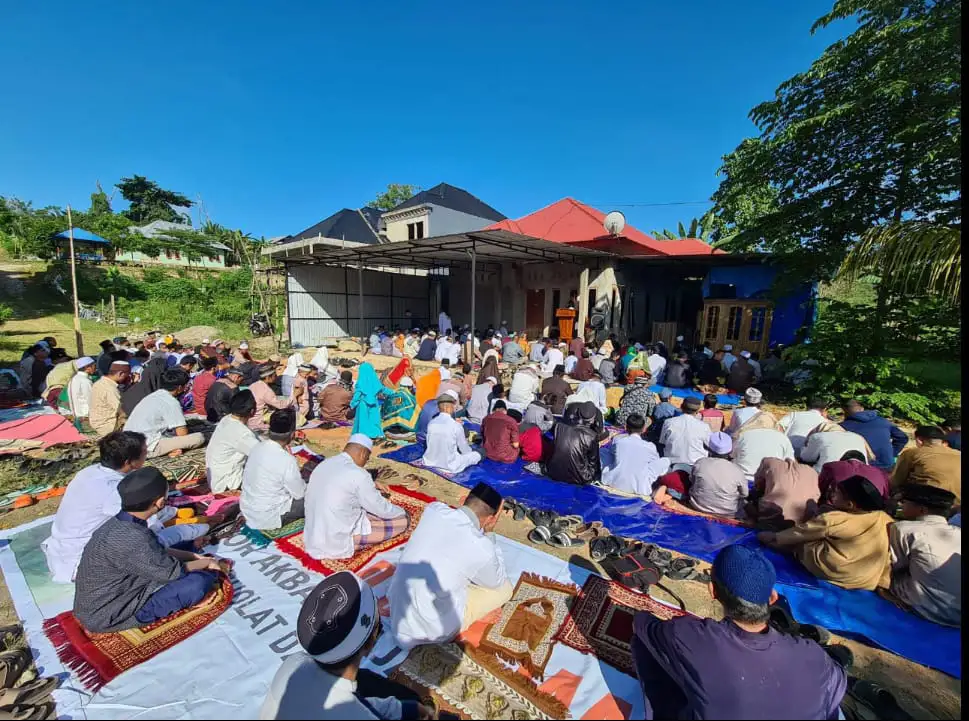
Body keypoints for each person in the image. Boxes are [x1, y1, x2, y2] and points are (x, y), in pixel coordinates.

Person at [630, 545, 847, 720]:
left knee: (647, 646)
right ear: (772, 598)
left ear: (712, 591)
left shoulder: (690, 637)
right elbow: (836, 685)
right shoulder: (812, 655)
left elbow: (642, 625)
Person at [260, 571, 429, 720]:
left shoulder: (294, 663)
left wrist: (403, 709)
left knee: (372, 683)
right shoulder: (358, 715)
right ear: (370, 644)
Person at [73, 467, 224, 633]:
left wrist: (192, 554)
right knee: (198, 583)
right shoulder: (133, 537)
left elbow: (155, 550)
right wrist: (206, 563)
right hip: (111, 614)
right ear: (159, 502)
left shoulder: (120, 523)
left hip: (102, 599)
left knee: (183, 547)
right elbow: (171, 572)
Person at [389, 482, 512, 650]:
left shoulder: (434, 510)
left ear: (464, 500)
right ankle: (470, 616)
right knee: (504, 589)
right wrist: (489, 533)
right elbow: (495, 582)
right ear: (491, 518)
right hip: (435, 629)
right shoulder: (483, 546)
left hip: (398, 618)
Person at [41, 432, 149, 583]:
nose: (147, 454)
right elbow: (142, 521)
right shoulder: (113, 490)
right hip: (79, 562)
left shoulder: (90, 472)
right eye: (144, 451)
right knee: (153, 546)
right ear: (128, 461)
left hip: (60, 551)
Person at [759, 474, 893, 590]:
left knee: (801, 542)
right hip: (866, 579)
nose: (833, 494)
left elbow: (800, 533)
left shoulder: (835, 519)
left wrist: (774, 537)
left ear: (850, 505)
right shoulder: (885, 519)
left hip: (836, 571)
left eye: (837, 493)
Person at [304, 435, 409, 560]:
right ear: (363, 454)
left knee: (367, 513)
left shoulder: (327, 463)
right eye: (367, 458)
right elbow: (381, 508)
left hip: (313, 534)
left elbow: (341, 482)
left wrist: (372, 485)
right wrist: (402, 512)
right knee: (402, 522)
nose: (365, 463)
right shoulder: (359, 474)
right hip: (335, 541)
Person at [888, 484, 961, 627]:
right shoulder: (957, 532)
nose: (901, 506)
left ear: (922, 509)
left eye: (905, 503)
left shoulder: (903, 529)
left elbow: (896, 567)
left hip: (929, 610)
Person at [240, 409, 306, 530]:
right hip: (268, 517)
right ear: (292, 434)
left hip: (247, 510)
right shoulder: (286, 459)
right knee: (314, 497)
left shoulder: (257, 447)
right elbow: (299, 494)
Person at [123, 369, 204, 458]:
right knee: (199, 438)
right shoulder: (171, 402)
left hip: (128, 441)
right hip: (145, 446)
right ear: (180, 388)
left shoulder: (153, 396)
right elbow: (182, 434)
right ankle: (171, 450)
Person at [680, 432, 748, 517]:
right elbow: (745, 494)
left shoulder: (700, 463)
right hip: (728, 513)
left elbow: (692, 481)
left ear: (709, 450)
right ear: (729, 451)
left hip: (698, 507)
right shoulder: (737, 470)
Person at [602, 414, 671, 496]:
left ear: (626, 427)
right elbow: (655, 462)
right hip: (640, 487)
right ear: (644, 429)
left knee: (603, 451)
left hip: (615, 482)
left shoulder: (618, 442)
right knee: (666, 461)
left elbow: (612, 454)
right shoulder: (650, 446)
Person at [891, 425, 961, 504]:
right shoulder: (959, 454)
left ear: (919, 440)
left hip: (929, 503)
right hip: (957, 505)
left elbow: (896, 481)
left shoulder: (912, 453)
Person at [206, 390, 259, 493]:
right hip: (226, 485)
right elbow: (263, 455)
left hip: (215, 478)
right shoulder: (241, 433)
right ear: (252, 411)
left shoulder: (227, 419)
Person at [748, 457, 821, 529]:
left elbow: (757, 485)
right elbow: (817, 496)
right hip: (807, 525)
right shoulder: (812, 471)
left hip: (773, 522)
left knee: (747, 504)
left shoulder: (768, 462)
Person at [840, 399, 908, 470]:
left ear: (845, 410)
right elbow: (902, 438)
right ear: (862, 408)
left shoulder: (842, 427)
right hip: (886, 465)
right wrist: (891, 454)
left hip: (861, 467)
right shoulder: (883, 421)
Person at [422, 393, 482, 473]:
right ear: (448, 408)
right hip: (450, 465)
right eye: (453, 406)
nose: (454, 408)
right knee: (480, 453)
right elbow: (465, 450)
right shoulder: (455, 425)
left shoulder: (431, 423)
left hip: (429, 461)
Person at [546, 401, 602, 486]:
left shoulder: (559, 426)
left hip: (553, 472)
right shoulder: (592, 436)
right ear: (592, 419)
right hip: (579, 478)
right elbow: (593, 463)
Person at [818, 450, 890, 503]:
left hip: (838, 509)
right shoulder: (880, 472)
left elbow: (821, 489)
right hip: (872, 511)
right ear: (864, 463)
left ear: (841, 461)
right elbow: (885, 496)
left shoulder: (830, 466)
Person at [658, 396, 711, 466]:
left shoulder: (669, 422)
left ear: (681, 407)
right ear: (697, 411)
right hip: (695, 465)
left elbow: (662, 442)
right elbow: (709, 445)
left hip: (672, 463)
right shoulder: (704, 427)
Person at [799, 421, 870, 472]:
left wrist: (804, 447)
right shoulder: (857, 437)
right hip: (860, 472)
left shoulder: (818, 436)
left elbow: (806, 457)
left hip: (827, 473)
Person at [731, 425, 795, 480]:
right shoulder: (783, 437)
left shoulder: (743, 435)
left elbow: (732, 455)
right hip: (770, 481)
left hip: (743, 478)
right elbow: (791, 462)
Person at [89, 360, 131, 438]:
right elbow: (122, 409)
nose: (127, 378)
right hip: (108, 425)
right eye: (127, 375)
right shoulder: (110, 388)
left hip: (97, 421)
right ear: (121, 374)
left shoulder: (100, 383)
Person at [67, 356, 98, 430]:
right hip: (85, 416)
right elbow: (91, 400)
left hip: (76, 415)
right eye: (94, 366)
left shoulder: (74, 378)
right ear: (87, 367)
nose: (95, 368)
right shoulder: (85, 381)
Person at [645, 387, 680, 451]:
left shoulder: (656, 407)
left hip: (655, 432)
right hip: (666, 432)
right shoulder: (673, 408)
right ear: (670, 397)